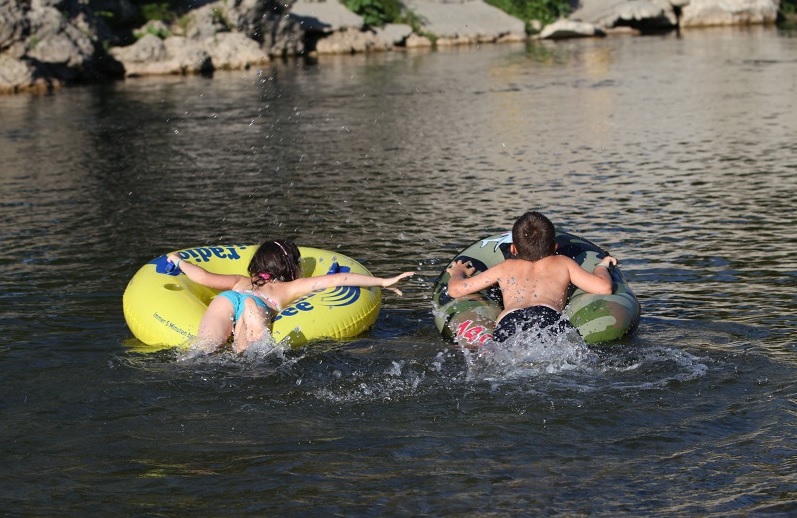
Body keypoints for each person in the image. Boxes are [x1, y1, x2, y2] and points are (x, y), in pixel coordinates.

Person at [167, 240, 414, 353]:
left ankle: (194, 357)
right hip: (261, 304)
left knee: (203, 349)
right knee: (245, 359)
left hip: (230, 297)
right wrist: (383, 281)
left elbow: (201, 276)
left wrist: (178, 260)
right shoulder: (291, 287)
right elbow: (339, 279)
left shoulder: (239, 280)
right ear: (290, 267)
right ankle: (248, 321)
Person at [446, 211, 617, 343]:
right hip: (547, 317)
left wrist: (458, 272)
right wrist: (601, 266)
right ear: (555, 246)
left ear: (513, 249)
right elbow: (604, 287)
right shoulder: (562, 263)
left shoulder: (505, 267)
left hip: (511, 321)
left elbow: (455, 290)